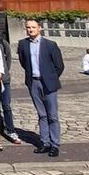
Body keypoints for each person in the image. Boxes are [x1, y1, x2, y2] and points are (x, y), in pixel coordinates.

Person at [17, 17, 65, 157]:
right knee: (42, 114)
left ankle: (55, 144)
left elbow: (59, 65)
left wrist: (51, 78)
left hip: (48, 83)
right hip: (34, 82)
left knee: (53, 115)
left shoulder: (50, 44)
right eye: (28, 27)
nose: (30, 30)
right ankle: (45, 142)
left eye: (33, 27)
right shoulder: (23, 44)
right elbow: (24, 62)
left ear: (39, 28)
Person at [0, 20, 20, 143]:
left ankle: (10, 130)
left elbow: (8, 61)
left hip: (3, 79)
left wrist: (3, 74)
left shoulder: (3, 43)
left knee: (6, 105)